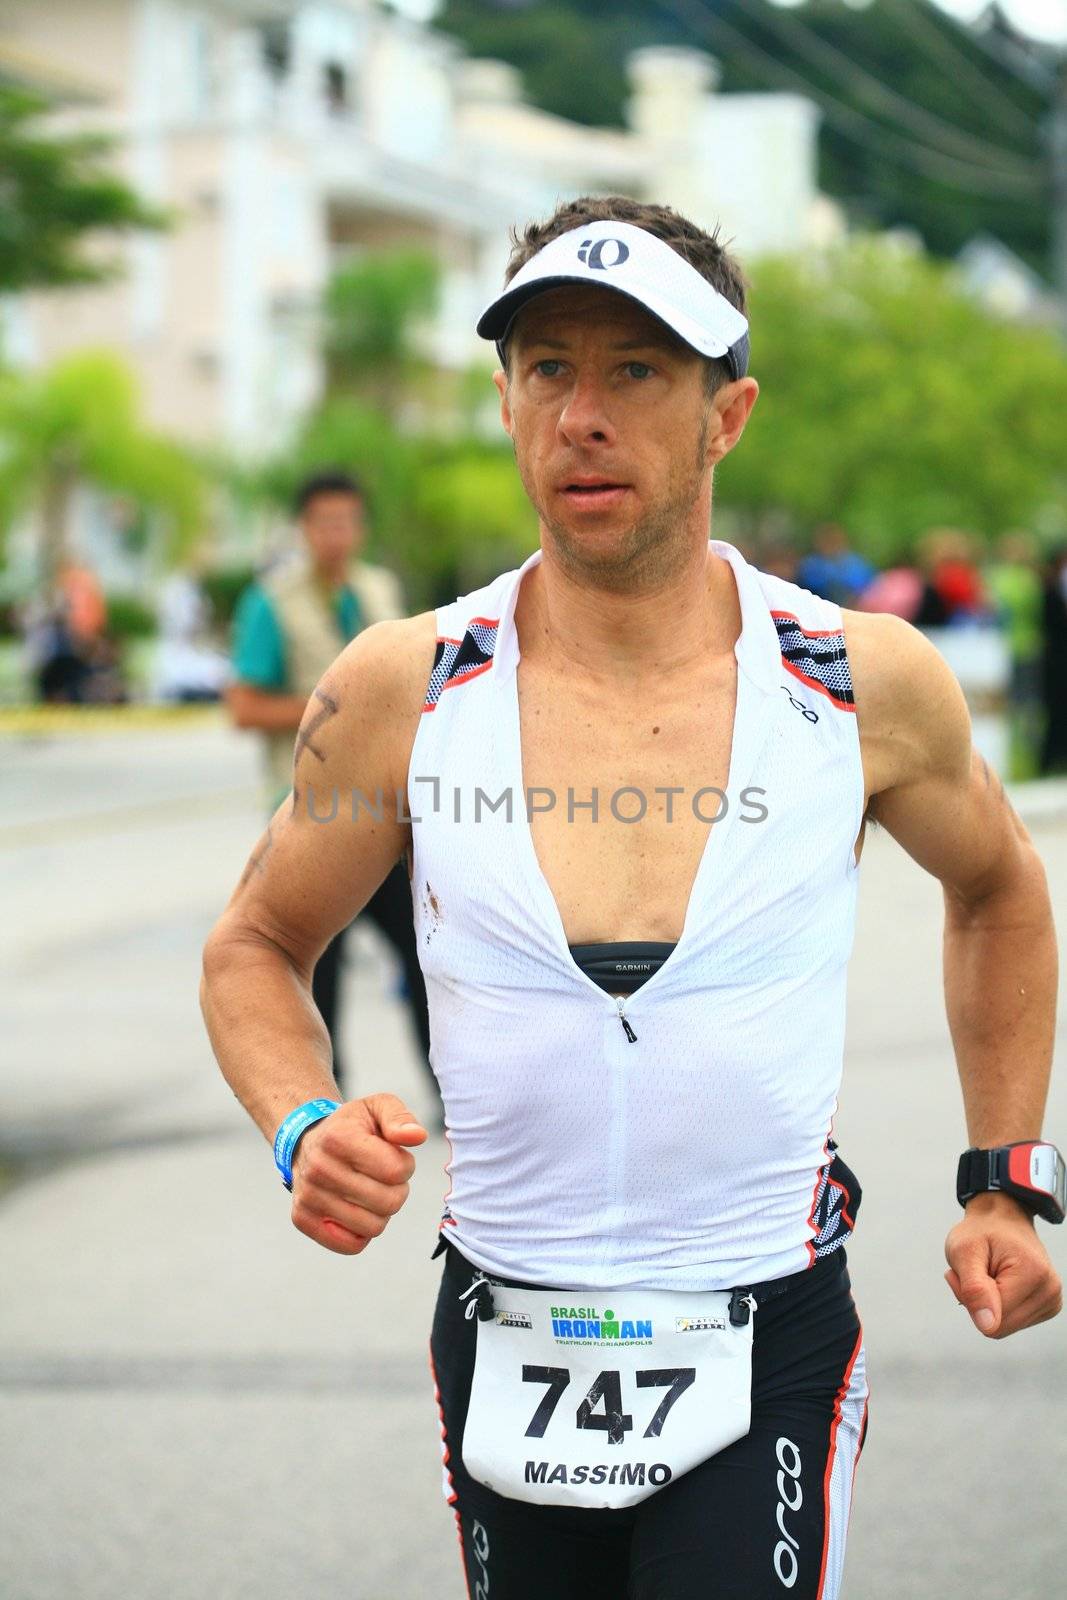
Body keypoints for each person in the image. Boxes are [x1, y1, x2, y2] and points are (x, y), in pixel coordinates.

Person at [201, 199, 1063, 1599]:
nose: (579, 415)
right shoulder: (403, 688)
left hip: (761, 1330)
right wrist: (302, 1117)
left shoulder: (856, 680)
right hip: (498, 1324)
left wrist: (1003, 1181)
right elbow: (255, 942)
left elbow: (1000, 895)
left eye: (634, 372)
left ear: (726, 414)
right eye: (547, 368)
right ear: (503, 398)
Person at [226, 469, 432, 1099]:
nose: (337, 535)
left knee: (429, 958)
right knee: (318, 969)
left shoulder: (379, 591)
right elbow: (244, 707)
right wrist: (339, 712)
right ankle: (324, 1112)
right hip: (309, 816)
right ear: (304, 528)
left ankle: (457, 1100)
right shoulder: (269, 602)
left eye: (347, 521)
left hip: (388, 818)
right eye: (324, 523)